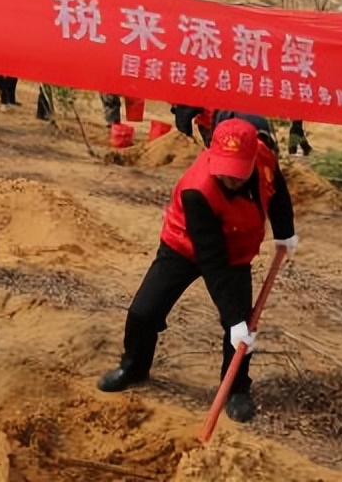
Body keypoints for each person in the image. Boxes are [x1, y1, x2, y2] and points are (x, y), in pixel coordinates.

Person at [96, 118, 298, 423]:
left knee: (240, 327)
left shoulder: (263, 156)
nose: (230, 179)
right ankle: (134, 366)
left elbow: (276, 188)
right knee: (143, 312)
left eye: (238, 174)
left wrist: (285, 231)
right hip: (185, 245)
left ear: (252, 159)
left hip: (237, 251)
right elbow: (212, 259)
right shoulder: (198, 189)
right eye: (225, 172)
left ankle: (236, 388)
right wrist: (232, 319)